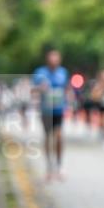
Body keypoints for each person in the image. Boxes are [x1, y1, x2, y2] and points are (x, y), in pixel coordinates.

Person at [32, 48, 69, 181]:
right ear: (48, 60)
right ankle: (49, 166)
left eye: (56, 59)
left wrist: (68, 103)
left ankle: (59, 165)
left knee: (59, 136)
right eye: (52, 59)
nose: (54, 62)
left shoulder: (63, 72)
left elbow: (66, 88)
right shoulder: (40, 72)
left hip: (59, 109)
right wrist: (40, 88)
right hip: (46, 110)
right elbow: (33, 88)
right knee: (48, 137)